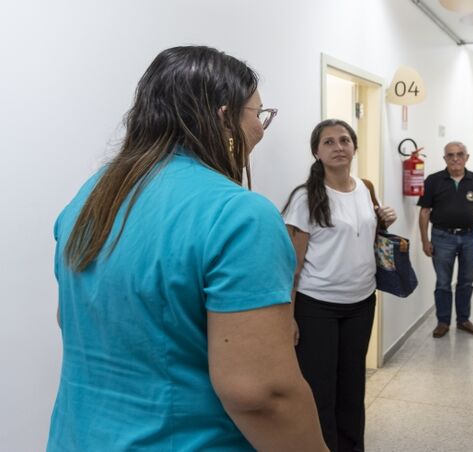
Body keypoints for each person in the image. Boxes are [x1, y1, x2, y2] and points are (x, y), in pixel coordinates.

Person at [47, 46, 326, 451]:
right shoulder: (239, 215)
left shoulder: (90, 198)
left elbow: (72, 320)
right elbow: (262, 395)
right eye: (259, 115)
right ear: (224, 118)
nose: (262, 130)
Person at [282, 119, 397, 452]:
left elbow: (365, 238)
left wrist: (383, 219)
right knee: (320, 390)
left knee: (352, 387)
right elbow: (292, 266)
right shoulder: (305, 199)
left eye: (344, 140)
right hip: (317, 306)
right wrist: (288, 318)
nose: (338, 147)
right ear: (316, 152)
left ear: (354, 147)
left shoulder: (365, 187)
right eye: (329, 142)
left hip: (361, 302)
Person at [418, 141, 473, 338]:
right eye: (450, 155)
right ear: (444, 158)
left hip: (470, 237)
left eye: (460, 154)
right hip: (442, 237)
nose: (455, 158)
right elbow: (424, 212)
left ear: (467, 157)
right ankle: (443, 322)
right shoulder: (433, 180)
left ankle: (463, 320)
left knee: (466, 282)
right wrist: (424, 241)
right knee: (443, 283)